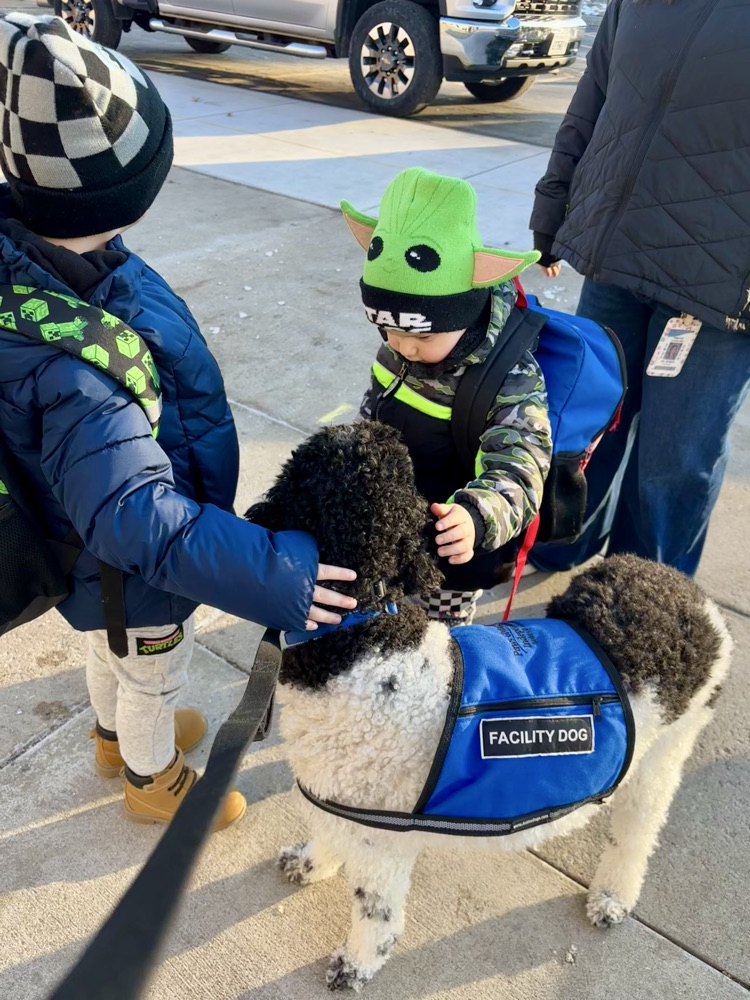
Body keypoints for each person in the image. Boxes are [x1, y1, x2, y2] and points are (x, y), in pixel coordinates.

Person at [0, 12, 356, 831]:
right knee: (153, 671)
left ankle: (111, 735)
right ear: (121, 188)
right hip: (135, 578)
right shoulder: (75, 368)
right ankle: (150, 778)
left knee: (110, 655)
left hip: (96, 575)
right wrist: (279, 574)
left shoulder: (59, 264)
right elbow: (141, 523)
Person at [530, 0, 750, 577]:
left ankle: (642, 596)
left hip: (719, 284)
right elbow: (594, 97)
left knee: (673, 461)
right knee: (587, 418)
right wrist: (554, 204)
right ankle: (563, 543)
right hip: (616, 254)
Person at [345, 167, 551, 625]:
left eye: (418, 334)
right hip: (393, 526)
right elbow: (375, 405)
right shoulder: (401, 344)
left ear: (464, 311)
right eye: (387, 328)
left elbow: (522, 466)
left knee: (437, 638)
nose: (402, 345)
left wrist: (476, 517)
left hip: (451, 544)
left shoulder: (508, 375)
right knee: (386, 618)